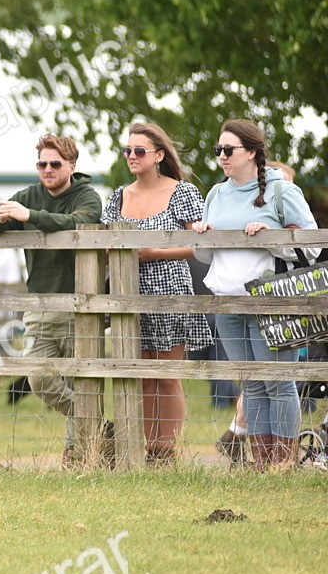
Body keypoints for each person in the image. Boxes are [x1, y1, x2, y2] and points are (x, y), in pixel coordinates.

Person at [193, 119, 320, 470]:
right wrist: (204, 236)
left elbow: (310, 247)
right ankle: (261, 466)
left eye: (228, 150)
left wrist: (271, 234)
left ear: (251, 152)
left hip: (271, 302)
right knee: (251, 384)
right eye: (218, 150)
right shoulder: (216, 194)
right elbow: (206, 257)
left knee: (278, 383)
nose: (221, 156)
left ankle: (284, 462)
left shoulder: (282, 191)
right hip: (227, 301)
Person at [0, 133, 103, 463]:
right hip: (39, 306)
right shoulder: (28, 194)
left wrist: (29, 217)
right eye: (42, 163)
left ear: (72, 166)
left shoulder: (87, 196)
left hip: (82, 306)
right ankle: (99, 425)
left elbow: (77, 223)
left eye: (55, 164)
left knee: (85, 381)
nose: (47, 169)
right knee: (38, 376)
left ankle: (78, 455)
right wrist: (2, 218)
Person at [100, 123, 212, 463]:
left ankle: (167, 449)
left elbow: (200, 244)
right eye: (128, 150)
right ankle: (147, 447)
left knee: (167, 374)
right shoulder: (119, 195)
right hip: (129, 290)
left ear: (159, 155)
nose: (132, 156)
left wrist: (154, 252)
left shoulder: (183, 192)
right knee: (143, 374)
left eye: (139, 151)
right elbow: (104, 241)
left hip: (171, 287)